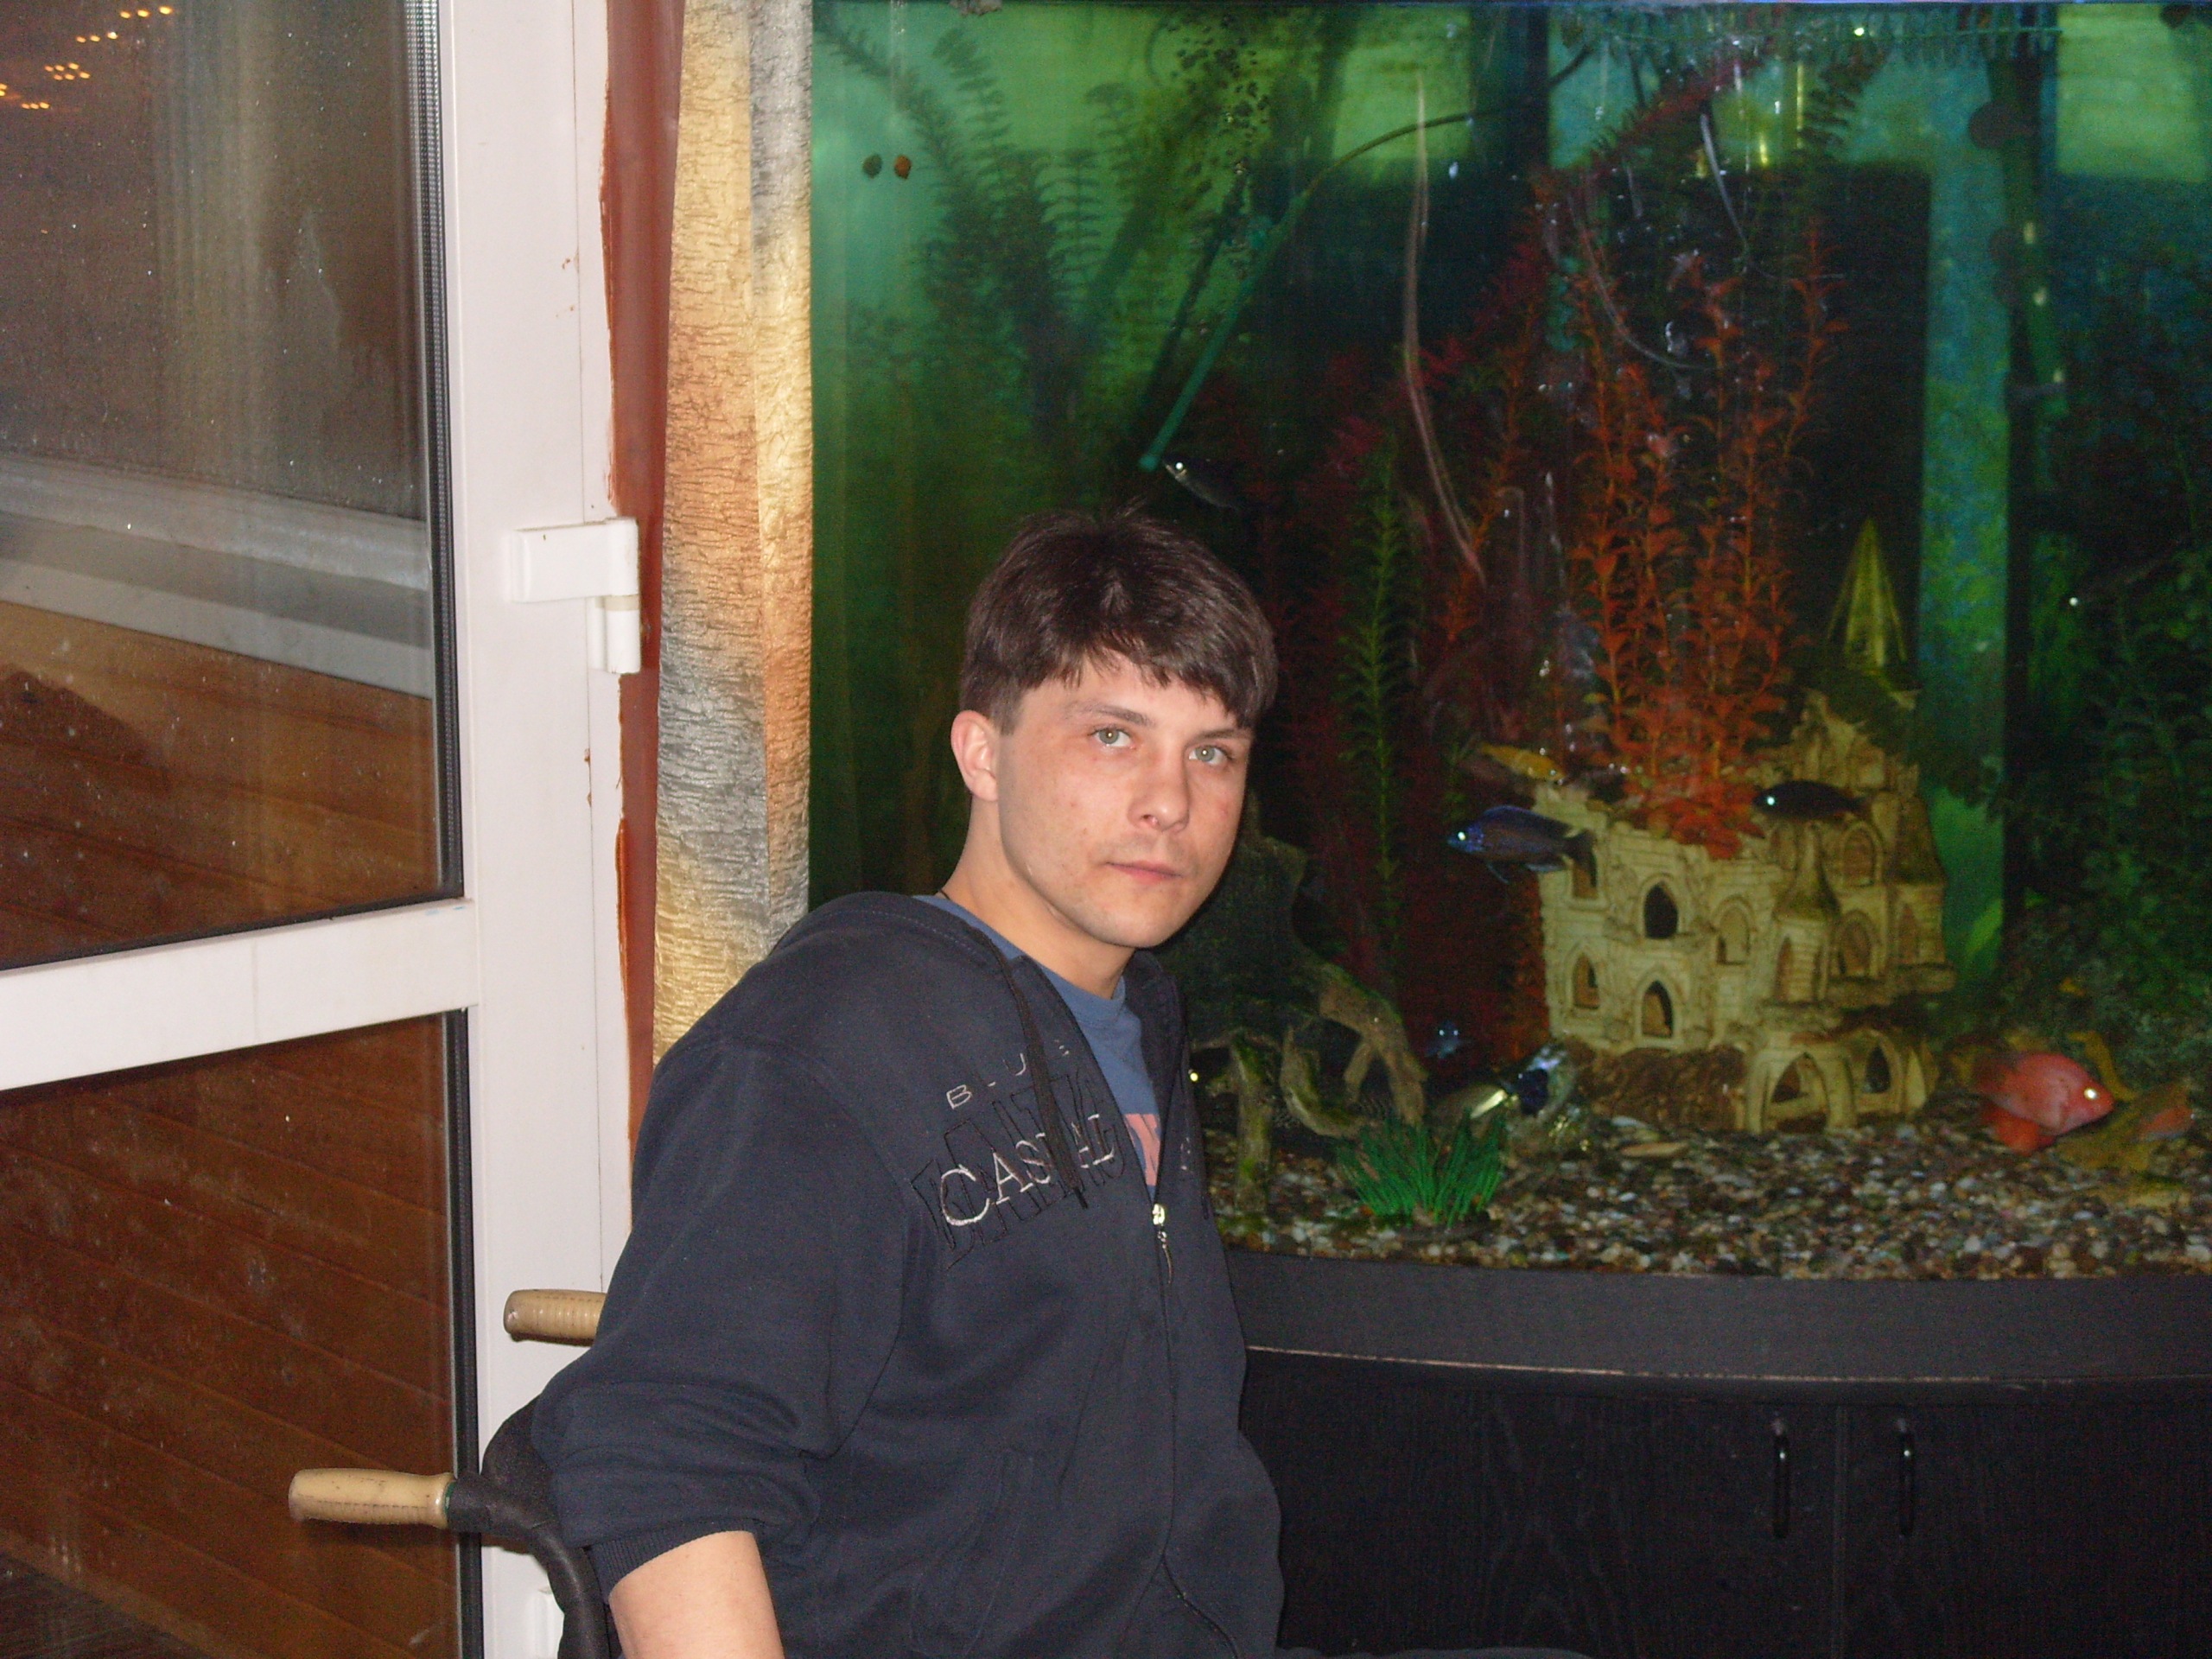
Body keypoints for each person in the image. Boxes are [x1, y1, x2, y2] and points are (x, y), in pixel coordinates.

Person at [535, 508, 1584, 1659]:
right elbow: (665, 1451)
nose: (1171, 803)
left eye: (1212, 752)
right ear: (981, 753)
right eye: (1113, 736)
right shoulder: (823, 1049)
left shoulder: (1138, 1016)